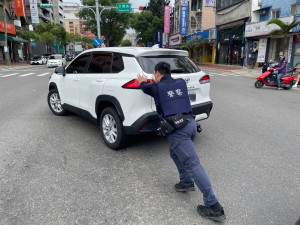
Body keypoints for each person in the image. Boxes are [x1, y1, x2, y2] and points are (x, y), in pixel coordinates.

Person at [137, 62, 226, 222]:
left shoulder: (156, 88)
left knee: (193, 164)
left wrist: (144, 80)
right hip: (191, 125)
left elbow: (144, 87)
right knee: (174, 153)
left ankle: (214, 206)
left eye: (154, 75)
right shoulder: (180, 83)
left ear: (157, 73)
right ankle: (186, 182)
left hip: (178, 131)